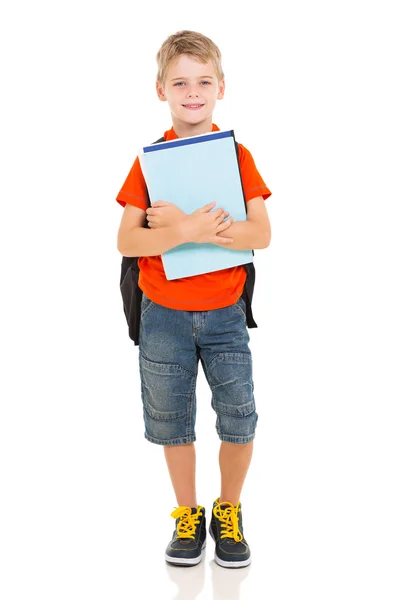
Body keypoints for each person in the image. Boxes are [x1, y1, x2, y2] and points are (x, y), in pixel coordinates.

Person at [116, 30, 272, 569]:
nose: (192, 91)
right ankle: (188, 514)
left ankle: (228, 509)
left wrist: (186, 225)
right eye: (179, 82)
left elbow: (260, 234)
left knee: (238, 417)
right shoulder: (150, 162)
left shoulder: (237, 156)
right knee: (171, 420)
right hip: (163, 316)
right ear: (160, 89)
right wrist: (186, 230)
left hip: (225, 313)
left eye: (204, 81)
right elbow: (128, 241)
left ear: (221, 88)